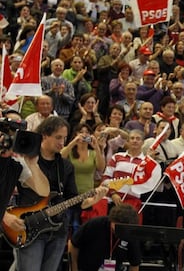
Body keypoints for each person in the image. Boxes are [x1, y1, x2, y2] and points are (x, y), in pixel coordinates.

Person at [15, 116, 108, 271]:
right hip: (30, 226)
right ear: (44, 135)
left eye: (64, 138)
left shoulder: (66, 166)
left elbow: (72, 198)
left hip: (58, 229)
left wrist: (92, 200)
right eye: (58, 137)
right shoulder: (27, 159)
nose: (62, 142)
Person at [68, 204, 141, 271]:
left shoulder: (130, 234)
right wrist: (74, 269)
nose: (120, 231)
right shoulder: (95, 224)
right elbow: (73, 244)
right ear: (112, 220)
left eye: (124, 228)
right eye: (117, 226)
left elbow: (135, 264)